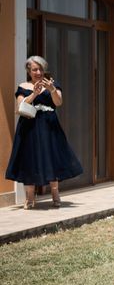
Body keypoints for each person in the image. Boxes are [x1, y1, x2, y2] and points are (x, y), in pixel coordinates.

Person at [5, 56, 83, 209]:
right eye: (35, 69)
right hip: (29, 127)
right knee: (29, 159)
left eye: (41, 69)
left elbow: (58, 102)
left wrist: (51, 89)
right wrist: (34, 93)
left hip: (49, 126)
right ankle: (29, 198)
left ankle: (55, 193)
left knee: (51, 157)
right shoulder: (23, 86)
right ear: (29, 71)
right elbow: (19, 106)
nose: (38, 72)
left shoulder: (52, 84)